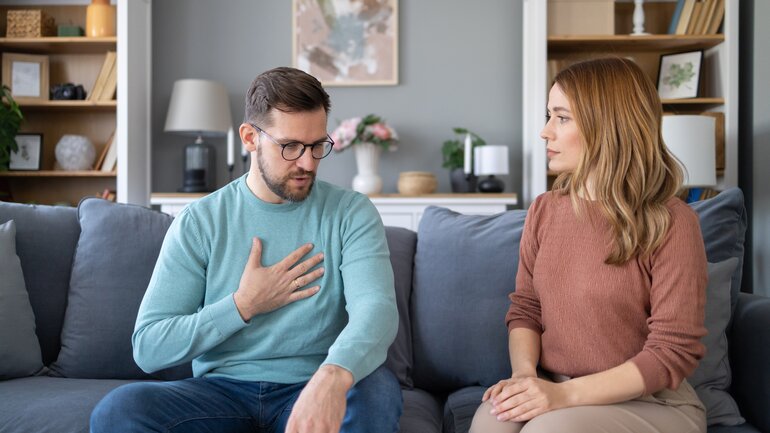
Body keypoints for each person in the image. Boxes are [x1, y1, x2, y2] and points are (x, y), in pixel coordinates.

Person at [90, 67, 402, 433]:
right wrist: (243, 305)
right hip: (220, 395)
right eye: (290, 147)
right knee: (118, 411)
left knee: (377, 391)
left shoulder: (350, 213)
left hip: (313, 383)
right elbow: (149, 347)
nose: (308, 162)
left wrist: (333, 375)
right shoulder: (200, 221)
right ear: (250, 137)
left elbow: (376, 310)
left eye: (318, 145)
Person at [470, 57, 708, 433]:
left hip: (649, 402)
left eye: (561, 118)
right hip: (555, 386)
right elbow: (526, 310)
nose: (545, 132)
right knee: (491, 422)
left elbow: (673, 352)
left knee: (547, 430)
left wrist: (561, 397)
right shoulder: (545, 211)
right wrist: (525, 379)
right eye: (549, 116)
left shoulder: (673, 221)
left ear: (607, 125)